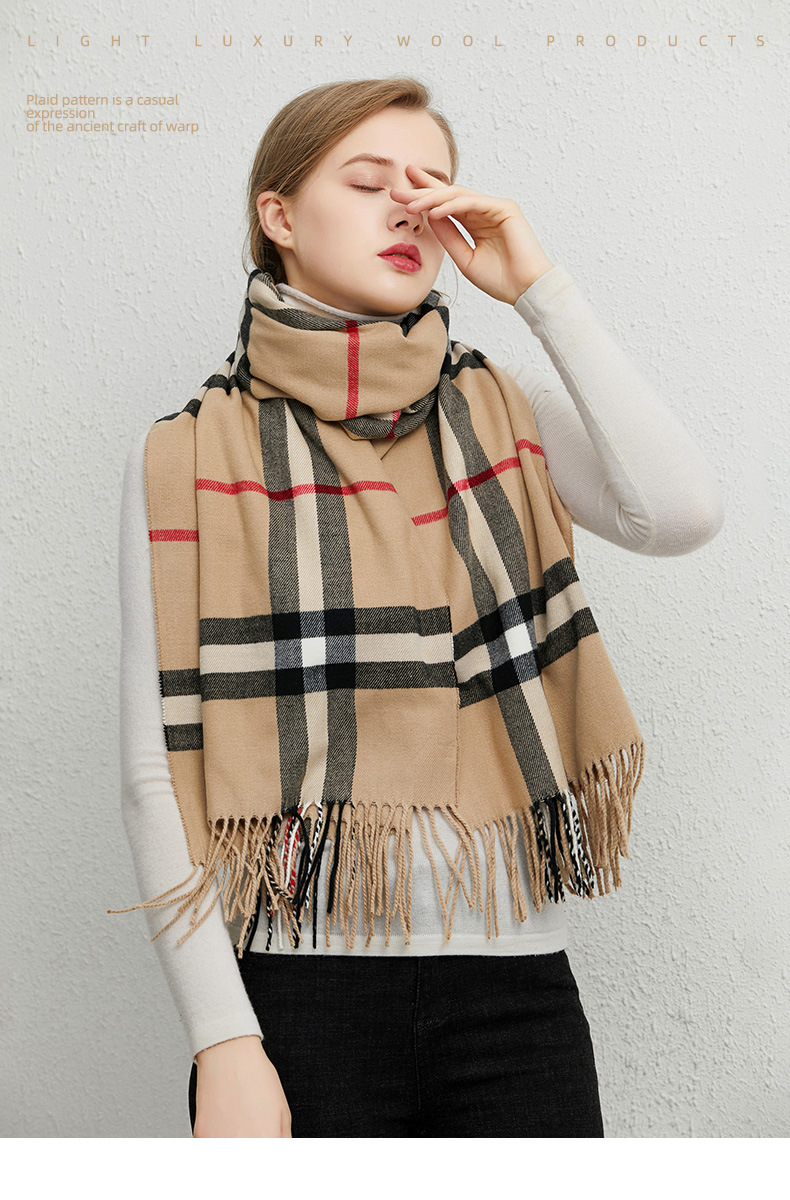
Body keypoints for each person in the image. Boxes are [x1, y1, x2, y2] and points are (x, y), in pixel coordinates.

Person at [112, 76, 725, 1138]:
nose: (407, 208)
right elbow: (153, 769)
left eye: (428, 185)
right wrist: (224, 1039)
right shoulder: (184, 455)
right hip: (295, 995)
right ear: (278, 215)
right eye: (367, 183)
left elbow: (678, 515)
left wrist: (538, 289)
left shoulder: (505, 407)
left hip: (516, 991)